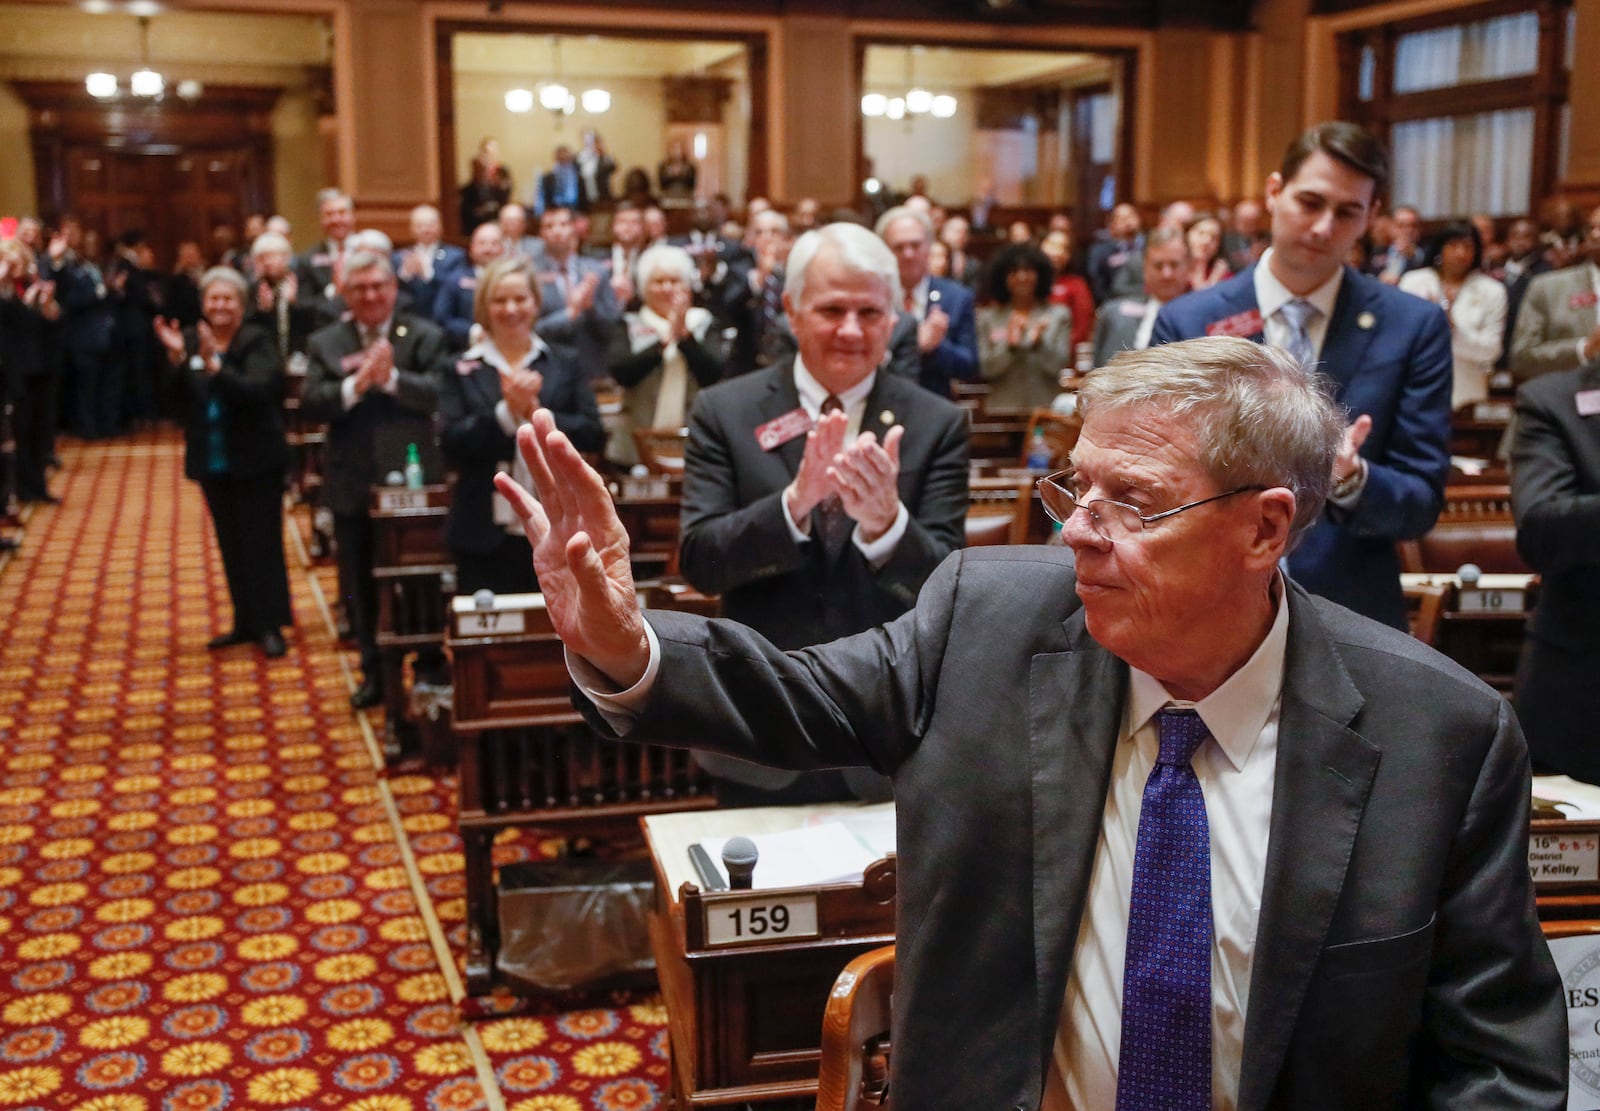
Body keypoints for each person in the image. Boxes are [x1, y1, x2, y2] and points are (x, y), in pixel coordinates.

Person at [496, 334, 1566, 1110]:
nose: (1079, 536)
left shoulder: (1442, 738)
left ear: (1264, 529)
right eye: (1072, 490)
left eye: (1132, 503)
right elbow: (789, 696)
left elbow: (1498, 1063)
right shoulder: (988, 618)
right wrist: (626, 637)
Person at [671, 222, 968, 805]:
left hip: (888, 739)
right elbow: (700, 563)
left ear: (894, 317)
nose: (852, 331)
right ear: (791, 310)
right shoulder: (724, 411)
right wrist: (792, 506)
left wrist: (887, 524)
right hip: (761, 731)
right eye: (832, 310)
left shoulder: (936, 424)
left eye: (870, 312)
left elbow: (951, 592)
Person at [1152, 120, 1453, 630]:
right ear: (1274, 192)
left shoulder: (1412, 326)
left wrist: (1353, 479)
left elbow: (1419, 503)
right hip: (1203, 601)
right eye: (1310, 203)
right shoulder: (1189, 321)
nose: (1322, 227)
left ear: (1371, 216)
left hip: (1348, 612)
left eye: (1346, 211)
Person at [301, 250, 446, 709]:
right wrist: (357, 384)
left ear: (394, 290)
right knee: (358, 582)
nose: (370, 296)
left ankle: (428, 662)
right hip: (352, 480)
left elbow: (438, 393)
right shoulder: (326, 341)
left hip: (413, 478)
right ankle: (373, 672)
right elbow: (312, 401)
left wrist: (390, 380)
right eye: (359, 288)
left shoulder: (424, 335)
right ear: (346, 294)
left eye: (378, 287)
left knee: (421, 576)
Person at [439, 257, 602, 596]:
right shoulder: (461, 366)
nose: (511, 309)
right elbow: (450, 443)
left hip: (560, 527)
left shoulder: (563, 362)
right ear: (484, 306)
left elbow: (593, 433)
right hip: (483, 530)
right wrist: (505, 413)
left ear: (536, 303)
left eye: (520, 298)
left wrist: (538, 413)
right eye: (499, 300)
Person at [153, 268, 292, 658]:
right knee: (231, 543)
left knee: (261, 544)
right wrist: (179, 360)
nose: (220, 305)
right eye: (214, 298)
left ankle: (271, 625)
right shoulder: (194, 339)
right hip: (213, 459)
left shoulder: (257, 340)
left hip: (257, 458)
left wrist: (218, 369)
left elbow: (260, 389)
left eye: (228, 298)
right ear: (203, 304)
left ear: (241, 304)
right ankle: (244, 621)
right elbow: (174, 401)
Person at [604, 244, 726, 468]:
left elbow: (713, 372)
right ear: (644, 288)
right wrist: (664, 341)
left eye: (675, 281)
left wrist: (685, 337)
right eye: (658, 282)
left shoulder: (704, 322)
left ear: (688, 287)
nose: (667, 288)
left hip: (694, 444)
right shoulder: (628, 324)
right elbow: (622, 372)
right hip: (634, 445)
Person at [1399, 222, 1508, 408]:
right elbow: (1398, 337)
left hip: (1467, 392)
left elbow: (1492, 349)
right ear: (1440, 248)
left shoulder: (1492, 290)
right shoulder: (1414, 282)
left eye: (1468, 247)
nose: (1461, 253)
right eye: (1454, 245)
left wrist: (1454, 331)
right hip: (1415, 385)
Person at [875, 206, 978, 398]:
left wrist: (936, 347)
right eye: (899, 247)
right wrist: (912, 346)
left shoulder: (956, 297)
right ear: (884, 250)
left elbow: (969, 366)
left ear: (929, 247)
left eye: (915, 245)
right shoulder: (871, 296)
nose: (908, 254)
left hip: (933, 406)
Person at [1508, 202, 1600, 383]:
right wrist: (1584, 349)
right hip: (1570, 401)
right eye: (1592, 228)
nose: (1596, 235)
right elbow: (1521, 358)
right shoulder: (1547, 287)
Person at [976, 242, 1073, 410]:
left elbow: (1058, 366)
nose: (1021, 277)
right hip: (1002, 410)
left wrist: (1039, 345)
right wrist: (1010, 347)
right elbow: (986, 369)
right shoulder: (987, 318)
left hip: (1045, 409)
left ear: (1040, 275)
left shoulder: (1058, 315)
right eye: (1014, 272)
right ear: (1002, 278)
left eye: (1028, 271)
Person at [535, 206, 622, 378]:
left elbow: (612, 328)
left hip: (593, 369)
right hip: (548, 370)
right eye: (549, 226)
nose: (557, 231)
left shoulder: (597, 271)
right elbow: (530, 329)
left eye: (563, 224)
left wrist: (590, 308)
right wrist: (569, 314)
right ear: (541, 234)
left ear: (574, 229)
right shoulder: (531, 275)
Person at [1092, 226, 1190, 368]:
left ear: (1188, 267)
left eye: (1174, 265)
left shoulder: (1206, 317)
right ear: (1145, 269)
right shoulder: (1113, 314)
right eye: (1158, 266)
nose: (1166, 274)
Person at [434, 221, 505, 351]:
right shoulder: (455, 280)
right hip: (464, 348)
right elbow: (442, 317)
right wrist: (473, 332)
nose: (488, 249)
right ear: (472, 248)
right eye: (482, 243)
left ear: (503, 249)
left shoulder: (514, 280)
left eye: (494, 244)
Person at [248, 232, 317, 362]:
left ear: (287, 258)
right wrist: (263, 311)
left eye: (272, 256)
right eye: (262, 258)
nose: (267, 262)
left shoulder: (301, 281)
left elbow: (315, 319)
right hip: (267, 357)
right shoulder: (253, 289)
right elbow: (248, 327)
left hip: (300, 354)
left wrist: (294, 304)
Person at [293, 188, 354, 328]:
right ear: (321, 219)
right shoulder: (307, 260)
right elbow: (302, 307)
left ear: (352, 216)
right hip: (325, 332)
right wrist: (333, 292)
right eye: (329, 214)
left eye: (342, 213)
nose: (336, 219)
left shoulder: (370, 252)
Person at [394, 204, 466, 314]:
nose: (426, 230)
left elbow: (455, 286)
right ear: (411, 229)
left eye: (431, 225)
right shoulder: (399, 257)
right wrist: (405, 274)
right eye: (420, 226)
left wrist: (427, 273)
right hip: (409, 315)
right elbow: (392, 287)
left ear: (440, 227)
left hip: (440, 316)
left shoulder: (455, 256)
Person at [1040, 228, 1095, 354]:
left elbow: (1081, 329)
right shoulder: (1030, 281)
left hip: (1061, 353)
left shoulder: (1077, 285)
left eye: (1063, 247)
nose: (1056, 252)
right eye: (1052, 245)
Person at [1087, 203, 1145, 304]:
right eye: (1122, 219)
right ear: (1112, 226)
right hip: (1115, 302)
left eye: (1131, 216)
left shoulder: (1151, 246)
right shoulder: (1101, 251)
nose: (1128, 222)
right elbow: (1097, 283)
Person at [460, 137, 514, 234]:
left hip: (496, 221)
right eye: (487, 152)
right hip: (474, 226)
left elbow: (504, 199)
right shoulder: (467, 190)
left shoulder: (502, 173)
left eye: (493, 151)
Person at [1185, 214, 1232, 290]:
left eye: (1214, 237)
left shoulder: (1224, 276)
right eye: (1201, 233)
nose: (1206, 241)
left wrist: (1215, 281)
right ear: (1187, 234)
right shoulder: (1172, 270)